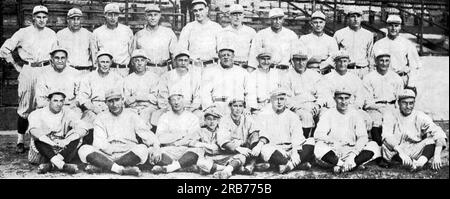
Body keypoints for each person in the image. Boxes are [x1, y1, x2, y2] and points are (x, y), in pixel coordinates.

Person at [0, 5, 57, 153]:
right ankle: (20, 140)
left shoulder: (51, 33)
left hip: (46, 69)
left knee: (44, 104)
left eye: (44, 17)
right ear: (33, 18)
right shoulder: (23, 32)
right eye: (38, 17)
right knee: (25, 106)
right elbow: (4, 49)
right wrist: (15, 65)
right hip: (29, 70)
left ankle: (40, 141)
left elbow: (57, 53)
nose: (42, 20)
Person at [77, 88, 160, 176]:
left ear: (122, 100)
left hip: (127, 152)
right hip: (106, 153)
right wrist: (111, 150)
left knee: (142, 149)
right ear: (106, 103)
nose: (114, 104)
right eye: (110, 101)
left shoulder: (132, 115)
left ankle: (103, 166)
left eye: (117, 100)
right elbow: (99, 142)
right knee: (84, 150)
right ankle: (121, 169)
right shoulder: (101, 117)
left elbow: (146, 133)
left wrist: (156, 146)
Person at [314, 87, 380, 173]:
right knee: (319, 146)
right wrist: (333, 142)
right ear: (334, 99)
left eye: (346, 98)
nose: (343, 101)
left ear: (350, 99)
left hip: (351, 151)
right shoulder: (328, 113)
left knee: (374, 145)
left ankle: (347, 164)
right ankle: (346, 165)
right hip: (333, 152)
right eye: (340, 98)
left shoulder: (356, 114)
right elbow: (318, 134)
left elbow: (362, 137)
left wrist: (353, 155)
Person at [251, 88, 315, 174]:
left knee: (311, 141)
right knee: (264, 149)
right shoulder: (265, 115)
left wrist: (295, 152)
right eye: (276, 99)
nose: (279, 102)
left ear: (285, 100)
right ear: (271, 100)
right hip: (275, 150)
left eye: (281, 99)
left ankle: (288, 165)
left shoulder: (292, 116)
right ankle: (292, 164)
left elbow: (297, 136)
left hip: (291, 148)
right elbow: (263, 134)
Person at [380, 89, 447, 171]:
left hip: (414, 149)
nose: (408, 106)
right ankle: (404, 162)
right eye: (404, 103)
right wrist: (401, 152)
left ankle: (419, 163)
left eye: (411, 103)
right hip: (397, 150)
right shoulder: (390, 114)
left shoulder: (420, 115)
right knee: (385, 146)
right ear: (398, 103)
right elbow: (386, 136)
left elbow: (438, 131)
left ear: (414, 103)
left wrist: (437, 155)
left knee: (432, 139)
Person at [27, 90, 89, 174]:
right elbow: (34, 131)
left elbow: (83, 127)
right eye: (55, 100)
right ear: (48, 101)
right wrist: (51, 143)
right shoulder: (37, 113)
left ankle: (51, 164)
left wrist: (66, 140)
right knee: (38, 139)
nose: (59, 104)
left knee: (76, 135)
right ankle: (63, 166)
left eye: (61, 101)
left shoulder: (68, 112)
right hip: (44, 148)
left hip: (62, 149)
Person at [196, 100, 260, 179]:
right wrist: (238, 148)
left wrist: (254, 147)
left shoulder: (248, 119)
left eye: (240, 106)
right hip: (225, 151)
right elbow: (222, 140)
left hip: (240, 153)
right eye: (235, 106)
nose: (238, 109)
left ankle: (227, 171)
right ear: (230, 107)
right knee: (202, 163)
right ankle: (236, 169)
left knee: (242, 156)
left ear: (244, 108)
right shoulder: (224, 120)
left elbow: (255, 133)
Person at [150, 91, 206, 174]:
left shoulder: (192, 117)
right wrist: (181, 135)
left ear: (184, 100)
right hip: (169, 150)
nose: (176, 102)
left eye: (179, 99)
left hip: (186, 150)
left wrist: (174, 141)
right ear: (169, 102)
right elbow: (160, 138)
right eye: (173, 100)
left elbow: (193, 137)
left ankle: (170, 168)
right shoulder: (165, 117)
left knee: (197, 151)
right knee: (152, 152)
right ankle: (184, 167)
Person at [316, 50, 371, 132]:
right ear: (334, 63)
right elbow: (325, 96)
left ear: (348, 62)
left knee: (365, 117)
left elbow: (360, 97)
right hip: (333, 107)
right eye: (339, 61)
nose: (342, 64)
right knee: (323, 115)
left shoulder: (355, 78)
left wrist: (355, 107)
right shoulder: (327, 78)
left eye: (345, 61)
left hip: (352, 107)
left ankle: (359, 140)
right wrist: (337, 108)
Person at [362, 49, 404, 146]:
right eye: (381, 60)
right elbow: (367, 101)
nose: (384, 63)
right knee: (376, 121)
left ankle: (395, 149)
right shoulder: (368, 78)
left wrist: (396, 110)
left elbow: (400, 98)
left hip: (392, 106)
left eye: (386, 60)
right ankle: (378, 147)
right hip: (375, 108)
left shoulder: (396, 77)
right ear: (376, 61)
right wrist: (380, 108)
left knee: (397, 121)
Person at [152, 50, 202, 129]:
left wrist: (190, 109)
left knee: (200, 117)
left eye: (185, 60)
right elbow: (162, 96)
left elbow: (197, 97)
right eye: (180, 60)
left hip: (189, 108)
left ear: (189, 61)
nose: (183, 63)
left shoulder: (194, 77)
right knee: (157, 117)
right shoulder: (166, 76)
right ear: (175, 61)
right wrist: (171, 109)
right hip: (170, 108)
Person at [371, 15, 422, 89]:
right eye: (391, 25)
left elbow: (414, 66)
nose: (393, 28)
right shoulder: (379, 44)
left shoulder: (407, 43)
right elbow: (372, 65)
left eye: (396, 25)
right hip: (384, 80)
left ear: (400, 27)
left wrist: (410, 84)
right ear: (386, 26)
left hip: (402, 78)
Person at [77, 50, 124, 128]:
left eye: (107, 62)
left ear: (111, 63)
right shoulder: (88, 77)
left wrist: (110, 109)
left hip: (112, 107)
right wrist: (95, 109)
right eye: (102, 62)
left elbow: (120, 98)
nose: (105, 65)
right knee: (87, 123)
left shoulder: (117, 78)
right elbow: (83, 98)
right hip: (92, 108)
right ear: (97, 62)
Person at [201, 44, 250, 115]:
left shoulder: (243, 72)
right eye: (223, 55)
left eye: (228, 55)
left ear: (233, 56)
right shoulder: (209, 71)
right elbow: (205, 92)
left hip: (238, 108)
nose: (226, 57)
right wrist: (209, 107)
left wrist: (247, 108)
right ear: (219, 57)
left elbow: (249, 92)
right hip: (217, 107)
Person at [35, 46, 82, 117]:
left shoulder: (75, 73)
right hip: (49, 108)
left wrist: (74, 104)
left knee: (77, 114)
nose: (60, 61)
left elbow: (80, 95)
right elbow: (40, 100)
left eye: (63, 58)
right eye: (57, 58)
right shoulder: (43, 75)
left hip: (69, 108)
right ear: (52, 60)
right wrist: (55, 107)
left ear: (67, 59)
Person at [132, 4, 177, 76]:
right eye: (150, 15)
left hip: (164, 70)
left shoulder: (168, 33)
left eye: (155, 15)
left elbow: (174, 56)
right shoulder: (139, 35)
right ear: (145, 16)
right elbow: (134, 57)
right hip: (146, 71)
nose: (153, 18)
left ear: (159, 16)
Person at [286, 49, 322, 138]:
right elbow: (286, 98)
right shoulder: (287, 76)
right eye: (297, 60)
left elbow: (323, 93)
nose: (300, 63)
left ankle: (319, 143)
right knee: (306, 116)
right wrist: (299, 107)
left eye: (303, 60)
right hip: (298, 107)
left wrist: (318, 105)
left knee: (325, 114)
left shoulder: (314, 75)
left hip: (314, 105)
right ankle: (305, 143)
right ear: (292, 61)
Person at [178, 0, 222, 68]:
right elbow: (182, 49)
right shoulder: (188, 28)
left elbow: (221, 50)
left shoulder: (216, 27)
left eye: (201, 9)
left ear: (207, 9)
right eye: (195, 10)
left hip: (211, 67)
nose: (198, 13)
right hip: (193, 67)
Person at [93, 3, 133, 77]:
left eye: (115, 15)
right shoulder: (97, 32)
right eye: (110, 14)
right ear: (105, 15)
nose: (113, 17)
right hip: (105, 71)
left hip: (123, 70)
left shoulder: (127, 31)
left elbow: (131, 51)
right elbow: (94, 54)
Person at [333, 6, 374, 79]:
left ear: (361, 18)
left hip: (363, 71)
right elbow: (333, 55)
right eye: (352, 16)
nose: (355, 19)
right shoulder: (339, 34)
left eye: (358, 16)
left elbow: (370, 56)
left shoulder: (368, 35)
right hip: (345, 70)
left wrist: (370, 73)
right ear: (348, 18)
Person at [123, 49, 160, 127]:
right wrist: (145, 97)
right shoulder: (127, 79)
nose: (139, 63)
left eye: (142, 60)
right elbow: (126, 100)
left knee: (144, 118)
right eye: (136, 61)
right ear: (132, 63)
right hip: (133, 108)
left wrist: (136, 97)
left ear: (146, 62)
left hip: (149, 107)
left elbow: (155, 99)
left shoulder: (154, 77)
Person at [57, 8, 97, 75]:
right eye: (73, 19)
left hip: (85, 71)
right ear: (68, 20)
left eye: (78, 19)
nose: (76, 22)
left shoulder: (88, 34)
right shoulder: (60, 34)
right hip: (67, 71)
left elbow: (94, 56)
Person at [246, 47, 285, 114]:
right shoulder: (252, 75)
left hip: (276, 107)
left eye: (268, 59)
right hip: (260, 108)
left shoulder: (276, 73)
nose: (266, 62)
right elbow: (250, 96)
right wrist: (256, 109)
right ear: (257, 59)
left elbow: (282, 91)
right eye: (263, 59)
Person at [218, 4, 256, 70]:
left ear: (243, 16)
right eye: (234, 15)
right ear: (229, 16)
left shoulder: (251, 32)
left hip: (246, 67)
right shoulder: (224, 32)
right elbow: (221, 53)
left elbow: (254, 52)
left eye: (240, 15)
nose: (237, 17)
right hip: (230, 67)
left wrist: (251, 67)